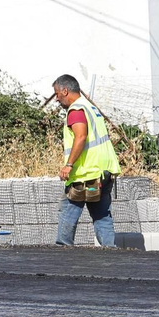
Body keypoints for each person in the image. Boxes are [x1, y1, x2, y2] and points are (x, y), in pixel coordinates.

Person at [52, 74, 121, 247]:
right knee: (101, 213)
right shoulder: (90, 107)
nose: (56, 99)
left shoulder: (76, 110)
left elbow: (80, 137)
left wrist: (69, 165)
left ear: (65, 91)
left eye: (57, 94)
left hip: (86, 176)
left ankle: (63, 251)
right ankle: (110, 251)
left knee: (69, 208)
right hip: (103, 174)